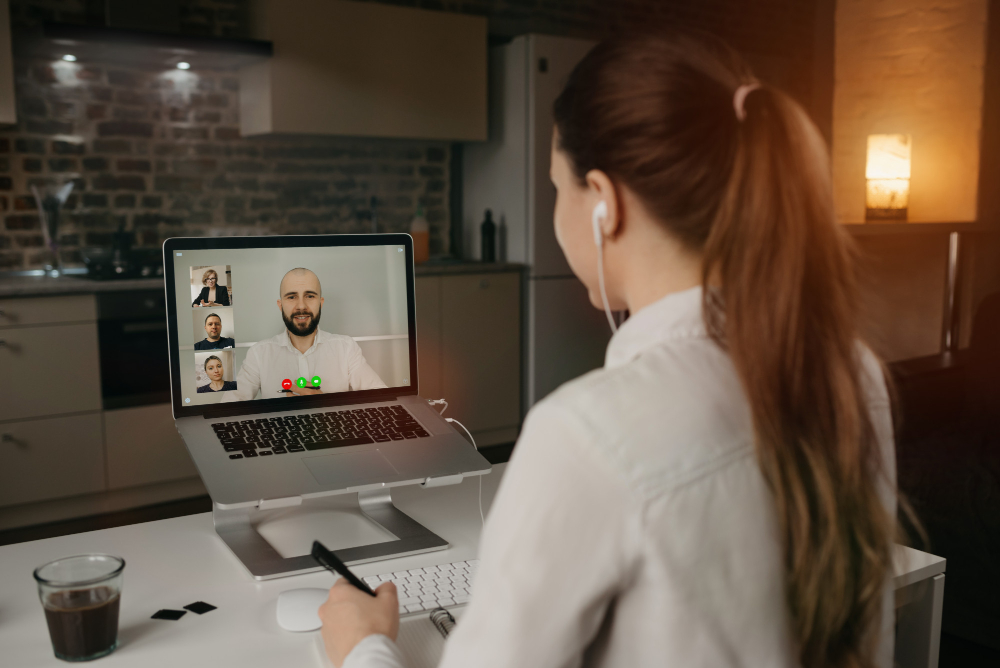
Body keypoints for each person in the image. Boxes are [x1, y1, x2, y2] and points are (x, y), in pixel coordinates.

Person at [319, 32, 901, 668]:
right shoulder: (852, 371)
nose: (555, 212)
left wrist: (363, 646)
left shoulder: (585, 435)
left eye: (556, 189)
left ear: (604, 203)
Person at [223, 267, 387, 402]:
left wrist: (325, 405)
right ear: (280, 305)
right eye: (292, 297)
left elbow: (382, 400)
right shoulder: (259, 354)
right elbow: (227, 410)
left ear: (320, 303)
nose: (301, 306)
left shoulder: (346, 348)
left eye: (309, 296)